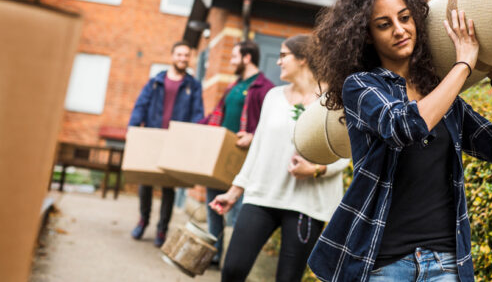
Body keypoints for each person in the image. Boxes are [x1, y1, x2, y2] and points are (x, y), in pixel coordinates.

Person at [306, 0, 492, 282]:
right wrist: (464, 64)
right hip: (384, 264)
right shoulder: (361, 87)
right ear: (368, 35)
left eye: (405, 18)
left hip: (446, 263)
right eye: (384, 24)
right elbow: (405, 126)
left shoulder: (443, 99)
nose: (400, 30)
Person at [210, 35, 349, 282]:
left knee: (288, 278)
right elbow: (258, 148)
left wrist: (315, 169)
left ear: (303, 58)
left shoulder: (333, 100)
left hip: (306, 205)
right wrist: (233, 192)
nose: (278, 61)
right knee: (232, 270)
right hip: (262, 195)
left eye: (284, 55)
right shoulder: (273, 96)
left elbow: (345, 152)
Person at [201, 40, 275, 264]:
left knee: (237, 213)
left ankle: (234, 261)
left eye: (234, 57)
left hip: (244, 160)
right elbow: (216, 114)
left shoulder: (265, 88)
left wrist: (253, 135)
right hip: (221, 156)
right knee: (214, 207)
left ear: (247, 58)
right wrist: (191, 128)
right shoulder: (233, 86)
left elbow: (271, 124)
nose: (231, 61)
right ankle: (214, 256)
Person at [128, 41, 204, 247]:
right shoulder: (156, 82)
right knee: (145, 183)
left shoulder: (193, 86)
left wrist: (194, 135)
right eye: (179, 54)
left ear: (189, 58)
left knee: (168, 188)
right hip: (153, 137)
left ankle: (162, 229)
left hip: (175, 142)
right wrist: (133, 129)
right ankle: (143, 220)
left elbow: (197, 114)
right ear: (172, 56)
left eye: (186, 55)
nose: (183, 58)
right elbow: (140, 105)